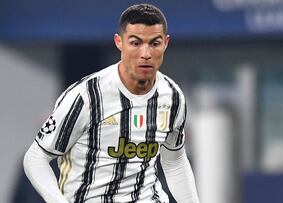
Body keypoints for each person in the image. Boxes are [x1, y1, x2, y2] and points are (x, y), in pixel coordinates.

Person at [23, 4, 199, 203]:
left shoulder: (172, 96)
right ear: (119, 42)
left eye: (154, 43)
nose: (146, 53)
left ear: (166, 43)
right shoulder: (86, 95)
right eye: (135, 43)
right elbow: (36, 158)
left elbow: (175, 162)